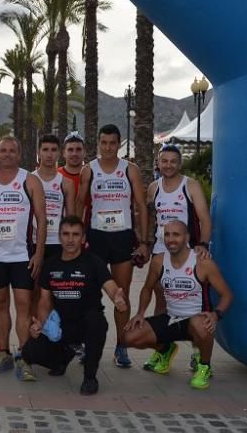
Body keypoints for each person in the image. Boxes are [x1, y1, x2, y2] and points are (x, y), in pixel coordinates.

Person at [22, 216, 129, 395]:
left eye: (75, 235)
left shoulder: (94, 262)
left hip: (86, 323)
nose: (70, 239)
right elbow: (44, 301)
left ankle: (90, 378)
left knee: (97, 323)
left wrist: (118, 299)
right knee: (30, 352)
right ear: (59, 237)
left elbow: (111, 288)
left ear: (83, 238)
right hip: (62, 325)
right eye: (66, 234)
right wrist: (41, 325)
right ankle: (63, 357)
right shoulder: (50, 265)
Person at [123, 220, 232, 389]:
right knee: (128, 336)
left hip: (196, 321)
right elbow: (147, 288)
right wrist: (140, 313)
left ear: (187, 237)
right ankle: (165, 350)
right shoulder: (159, 261)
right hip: (172, 318)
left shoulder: (203, 263)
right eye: (167, 235)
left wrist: (216, 314)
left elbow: (227, 295)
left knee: (202, 324)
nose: (171, 239)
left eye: (176, 234)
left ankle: (204, 366)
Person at [77, 124, 149, 369]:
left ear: (119, 144)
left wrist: (144, 242)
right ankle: (90, 345)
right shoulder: (89, 170)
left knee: (122, 293)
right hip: (96, 237)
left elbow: (140, 205)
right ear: (98, 144)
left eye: (112, 143)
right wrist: (77, 239)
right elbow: (79, 205)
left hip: (122, 238)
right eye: (103, 143)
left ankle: (122, 345)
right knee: (90, 295)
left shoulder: (130, 170)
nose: (108, 148)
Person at [0, 136, 46, 380]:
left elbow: (42, 219)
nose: (7, 154)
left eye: (11, 150)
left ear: (19, 153)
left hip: (22, 255)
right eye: (3, 150)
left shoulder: (30, 181)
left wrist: (39, 253)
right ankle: (4, 352)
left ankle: (25, 357)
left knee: (24, 306)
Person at [146, 144, 212, 316]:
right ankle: (165, 341)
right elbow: (147, 216)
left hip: (187, 249)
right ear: (158, 163)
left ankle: (195, 332)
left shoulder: (191, 185)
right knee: (160, 295)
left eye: (173, 162)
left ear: (180, 164)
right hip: (161, 248)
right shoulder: (153, 187)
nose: (168, 165)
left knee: (189, 295)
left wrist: (203, 244)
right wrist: (144, 243)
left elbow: (205, 219)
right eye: (164, 161)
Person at [33, 134, 76, 263]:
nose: (49, 154)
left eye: (53, 150)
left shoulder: (67, 183)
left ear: (59, 153)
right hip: (33, 241)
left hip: (57, 242)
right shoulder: (29, 180)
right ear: (38, 153)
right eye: (45, 150)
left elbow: (71, 217)